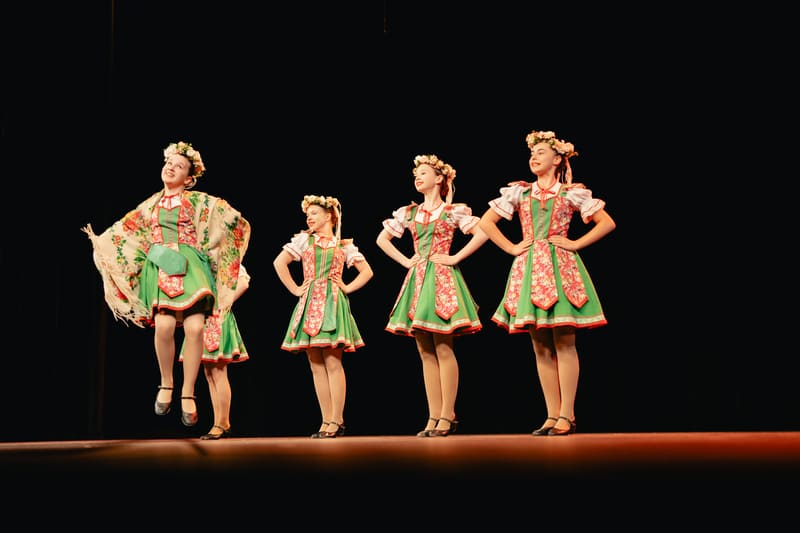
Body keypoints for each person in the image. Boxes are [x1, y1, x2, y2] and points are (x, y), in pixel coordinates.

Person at [83, 141, 251, 430]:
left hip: (191, 265)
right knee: (163, 326)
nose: (171, 168)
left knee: (195, 328)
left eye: (179, 166)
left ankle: (188, 391)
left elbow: (224, 217)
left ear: (189, 178)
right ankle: (166, 383)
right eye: (169, 163)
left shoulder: (198, 201)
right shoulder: (150, 205)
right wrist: (101, 243)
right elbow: (125, 232)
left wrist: (228, 221)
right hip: (162, 266)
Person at [478, 129, 615, 436]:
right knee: (540, 345)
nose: (534, 157)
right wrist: (512, 247)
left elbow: (607, 222)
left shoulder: (569, 193)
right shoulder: (520, 192)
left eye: (541, 152)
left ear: (556, 159)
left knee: (564, 341)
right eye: (532, 153)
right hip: (529, 269)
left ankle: (567, 414)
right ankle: (552, 414)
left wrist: (575, 243)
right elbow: (486, 222)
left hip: (560, 267)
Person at [376, 154, 488, 437]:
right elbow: (381, 239)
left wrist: (455, 257)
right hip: (418, 279)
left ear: (439, 178)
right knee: (425, 350)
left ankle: (447, 414)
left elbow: (482, 233)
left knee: (443, 346)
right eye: (416, 174)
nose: (418, 177)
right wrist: (406, 261)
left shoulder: (452, 211)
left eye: (424, 172)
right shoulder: (410, 212)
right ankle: (433, 415)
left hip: (442, 279)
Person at [273, 195, 373, 438]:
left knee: (332, 361)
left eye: (314, 213)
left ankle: (337, 419)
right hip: (309, 303)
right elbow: (279, 263)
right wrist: (296, 289)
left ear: (329, 216)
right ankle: (326, 420)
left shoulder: (343, 245)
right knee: (315, 364)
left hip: (332, 302)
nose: (309, 218)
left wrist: (347, 287)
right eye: (308, 214)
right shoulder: (304, 240)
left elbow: (367, 271)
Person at [181, 264, 250, 440]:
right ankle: (220, 422)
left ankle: (222, 423)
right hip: (204, 317)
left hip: (217, 318)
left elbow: (243, 282)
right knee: (209, 373)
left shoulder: (222, 258)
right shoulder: (201, 260)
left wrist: (222, 303)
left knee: (218, 372)